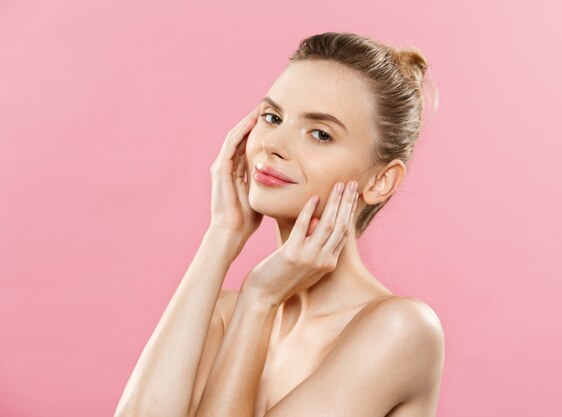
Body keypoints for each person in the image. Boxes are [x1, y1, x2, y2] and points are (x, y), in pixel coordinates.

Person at [114, 31, 444, 417]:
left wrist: (260, 299)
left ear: (379, 180)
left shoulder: (400, 329)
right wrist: (222, 234)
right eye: (272, 117)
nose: (273, 144)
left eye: (320, 134)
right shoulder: (222, 312)